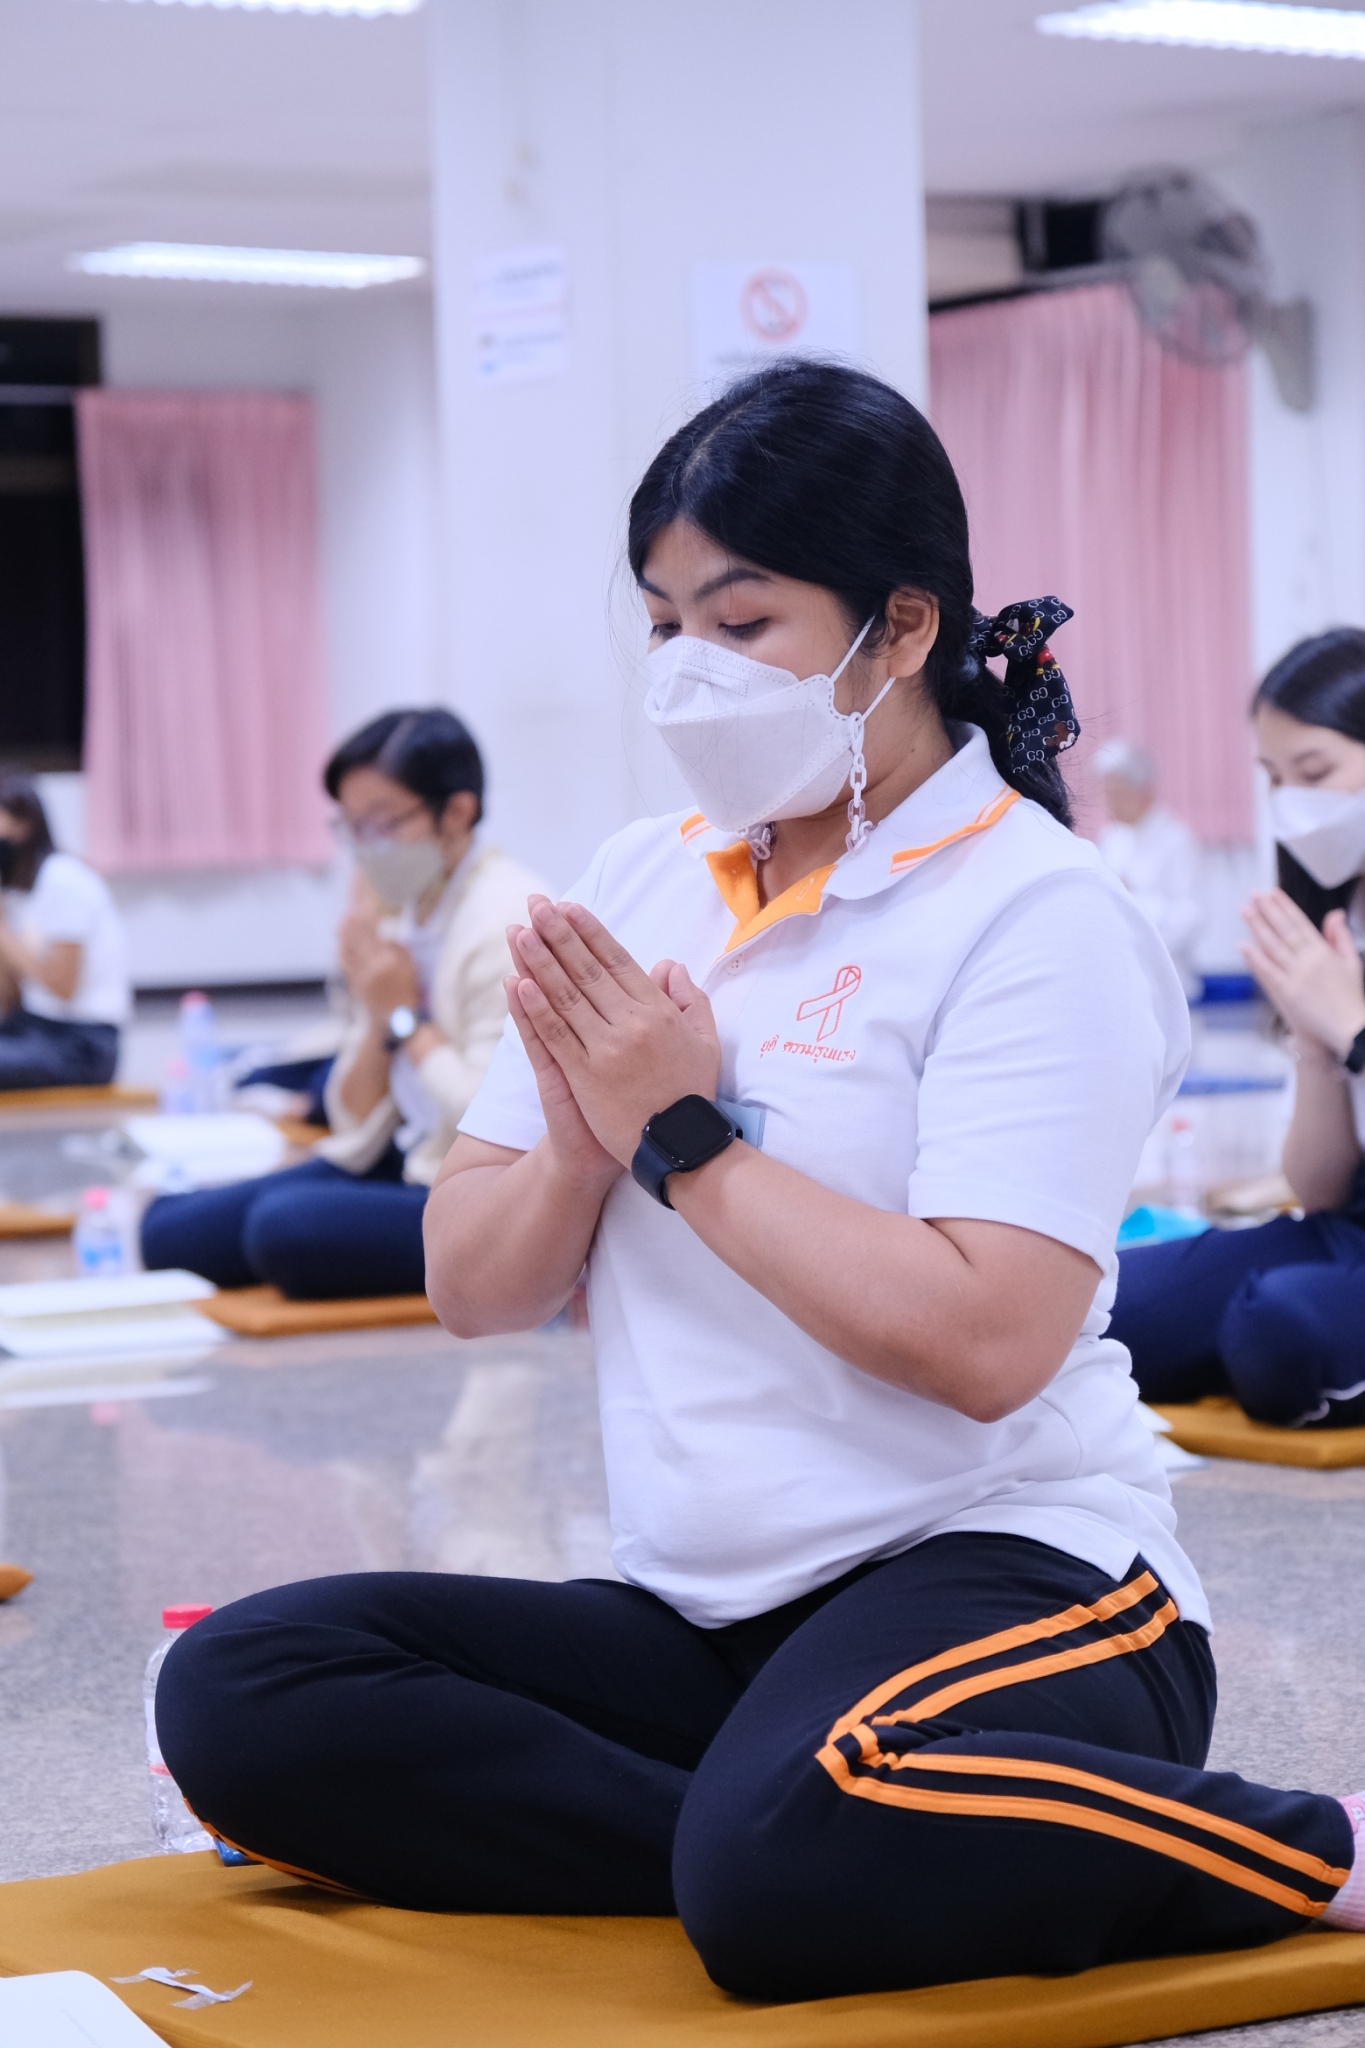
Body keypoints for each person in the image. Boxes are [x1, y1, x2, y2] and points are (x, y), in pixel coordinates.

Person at [155, 364, 1363, 1998]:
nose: (689, 671)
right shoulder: (638, 877)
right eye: (665, 623)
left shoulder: (1039, 910)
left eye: (742, 621)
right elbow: (471, 1284)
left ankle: (1304, 1844)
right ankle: (813, 1828)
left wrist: (683, 1134)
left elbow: (988, 1343)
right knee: (246, 1687)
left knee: (781, 1853)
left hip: (1017, 1575)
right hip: (713, 1613)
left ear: (903, 625)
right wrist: (582, 1133)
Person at [141, 709, 547, 1300]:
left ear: (457, 812)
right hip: (397, 1154)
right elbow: (350, 1114)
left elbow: (489, 1116)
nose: (365, 849)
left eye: (383, 823)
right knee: (166, 1231)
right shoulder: (407, 908)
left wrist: (403, 1018)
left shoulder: (509, 919)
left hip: (472, 1189)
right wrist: (376, 1007)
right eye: (352, 828)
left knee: (285, 1229)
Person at [1112, 627, 1365, 1430]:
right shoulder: (1336, 916)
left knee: (1280, 1329)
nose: (1290, 803)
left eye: (1313, 773)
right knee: (1106, 1309)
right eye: (1272, 778)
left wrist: (1352, 1029)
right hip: (1344, 1234)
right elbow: (1321, 1191)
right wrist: (1319, 1052)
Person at [0, 774, 130, 1089]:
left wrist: (3, 934)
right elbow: (10, 999)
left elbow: (63, 987)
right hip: (35, 1025)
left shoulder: (63, 879)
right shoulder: (19, 893)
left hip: (83, 1042)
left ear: (23, 825)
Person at [1094, 737, 1204, 996]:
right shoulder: (1111, 837)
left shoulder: (1176, 840)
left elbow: (1192, 916)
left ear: (1143, 791)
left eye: (1118, 794)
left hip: (1166, 979)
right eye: (1107, 794)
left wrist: (1133, 899)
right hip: (1118, 974)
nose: (1110, 803)